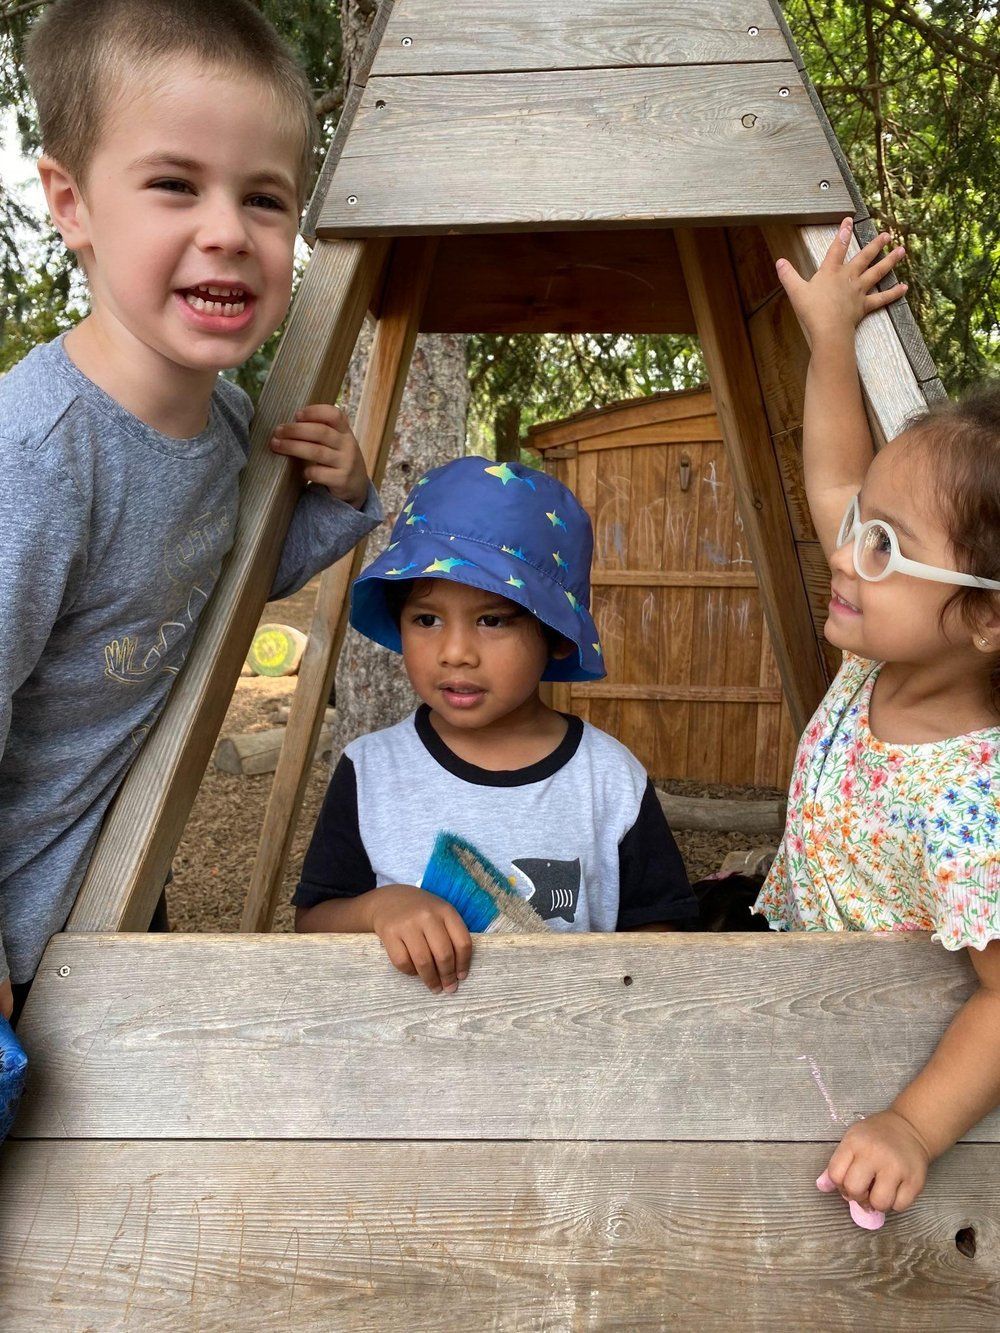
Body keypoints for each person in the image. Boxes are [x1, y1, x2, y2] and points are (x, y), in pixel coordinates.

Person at [0, 0, 384, 1022]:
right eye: (175, 185)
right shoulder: (37, 459)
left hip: (111, 885)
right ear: (71, 202)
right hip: (15, 922)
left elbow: (218, 569)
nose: (227, 231)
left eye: (265, 200)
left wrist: (337, 497)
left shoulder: (224, 422)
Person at [754, 218, 1000, 1215]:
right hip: (799, 983)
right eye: (864, 530)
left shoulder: (969, 802)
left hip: (877, 1057)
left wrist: (911, 1124)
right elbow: (832, 477)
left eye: (887, 547)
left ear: (983, 617)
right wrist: (827, 341)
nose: (848, 553)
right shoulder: (879, 651)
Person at [294, 456, 698, 991]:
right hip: (409, 1059)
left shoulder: (607, 778)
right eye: (427, 619)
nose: (455, 652)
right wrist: (380, 908)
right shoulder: (371, 770)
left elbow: (662, 942)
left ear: (555, 633)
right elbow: (311, 925)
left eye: (491, 620)